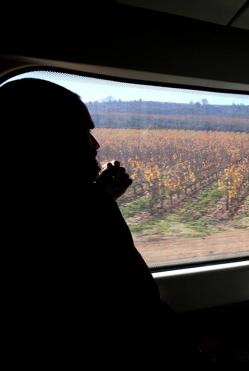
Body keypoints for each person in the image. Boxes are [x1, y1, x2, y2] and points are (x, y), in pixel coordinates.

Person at [1, 78, 207, 369]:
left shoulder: (49, 203)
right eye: (83, 132)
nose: (96, 145)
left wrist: (102, 196)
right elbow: (135, 304)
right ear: (46, 139)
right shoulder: (84, 207)